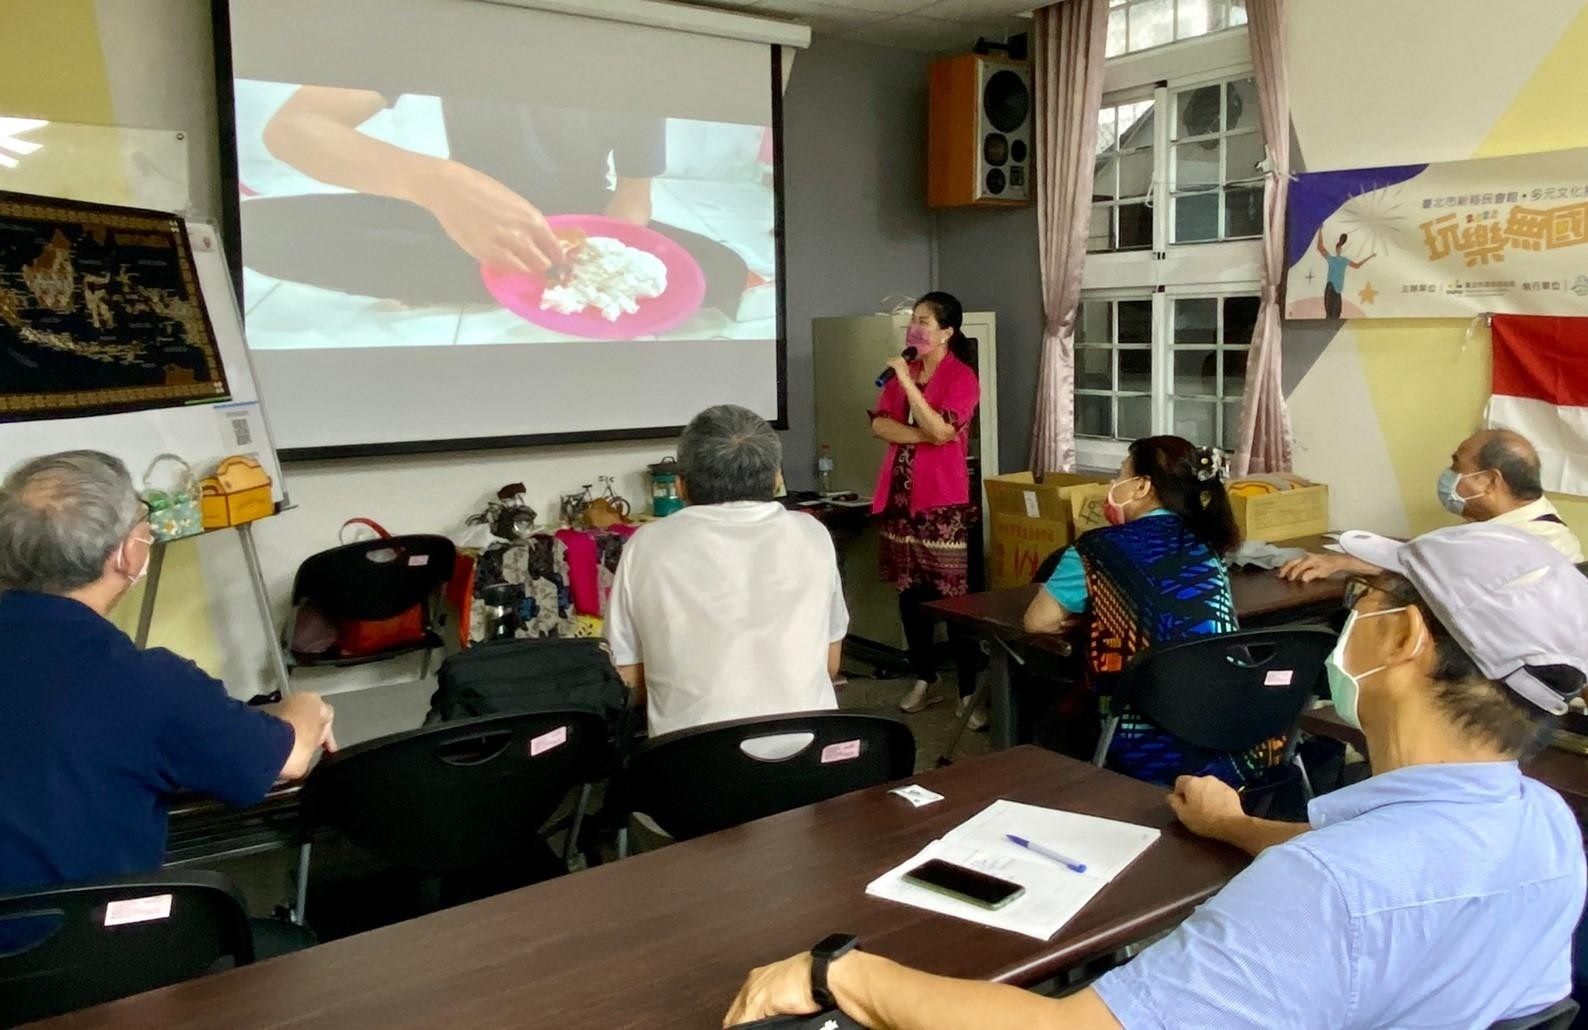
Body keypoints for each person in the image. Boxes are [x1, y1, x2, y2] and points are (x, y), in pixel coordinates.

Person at [725, 523, 1588, 1029]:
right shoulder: (1546, 823)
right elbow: (1394, 882)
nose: (1348, 619)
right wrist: (1239, 828)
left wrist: (844, 974)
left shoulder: (1324, 890)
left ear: (1405, 641)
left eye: (1363, 599)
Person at [0, 451, 336, 895]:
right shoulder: (147, 683)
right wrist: (304, 706)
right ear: (124, 553)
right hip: (90, 949)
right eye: (144, 519)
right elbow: (288, 759)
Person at [246, 85, 748, 311]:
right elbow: (293, 127)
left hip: (576, 231)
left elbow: (634, 194)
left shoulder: (637, 47)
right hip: (458, 223)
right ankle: (500, 278)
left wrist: (593, 262)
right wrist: (436, 183)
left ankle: (508, 280)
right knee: (257, 230)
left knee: (720, 270)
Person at [1023, 436, 1265, 785]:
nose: (1112, 485)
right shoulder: (1207, 544)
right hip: (1225, 734)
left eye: (1119, 474)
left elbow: (1037, 621)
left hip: (1144, 742)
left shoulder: (1096, 549)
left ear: (1142, 487)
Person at [606, 405, 848, 738]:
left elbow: (627, 677)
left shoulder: (648, 544)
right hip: (810, 758)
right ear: (777, 478)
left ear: (680, 486)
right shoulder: (813, 534)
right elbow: (829, 665)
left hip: (697, 765)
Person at [872, 292, 982, 721]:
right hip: (900, 498)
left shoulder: (961, 377)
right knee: (909, 592)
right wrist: (926, 434)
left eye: (923, 321)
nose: (914, 328)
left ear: (947, 332)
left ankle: (969, 690)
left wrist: (912, 398)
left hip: (942, 503)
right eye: (912, 320)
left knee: (953, 599)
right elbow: (880, 426)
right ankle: (926, 676)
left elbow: (942, 427)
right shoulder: (908, 371)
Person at [1281, 428, 1584, 583]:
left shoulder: (1514, 547)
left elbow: (1436, 567)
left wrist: (1345, 562)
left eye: (1457, 465)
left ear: (1490, 481)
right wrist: (1343, 562)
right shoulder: (1533, 528)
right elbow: (1427, 563)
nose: (1449, 474)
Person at [1315, 230, 1375, 319]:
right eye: (1338, 248)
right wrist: (1320, 231)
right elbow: (1320, 247)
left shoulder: (1344, 261)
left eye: (1340, 248)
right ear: (1337, 249)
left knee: (1336, 314)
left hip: (1338, 290)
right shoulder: (1332, 259)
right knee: (1330, 314)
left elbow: (1357, 265)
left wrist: (1370, 257)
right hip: (1331, 288)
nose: (1339, 249)